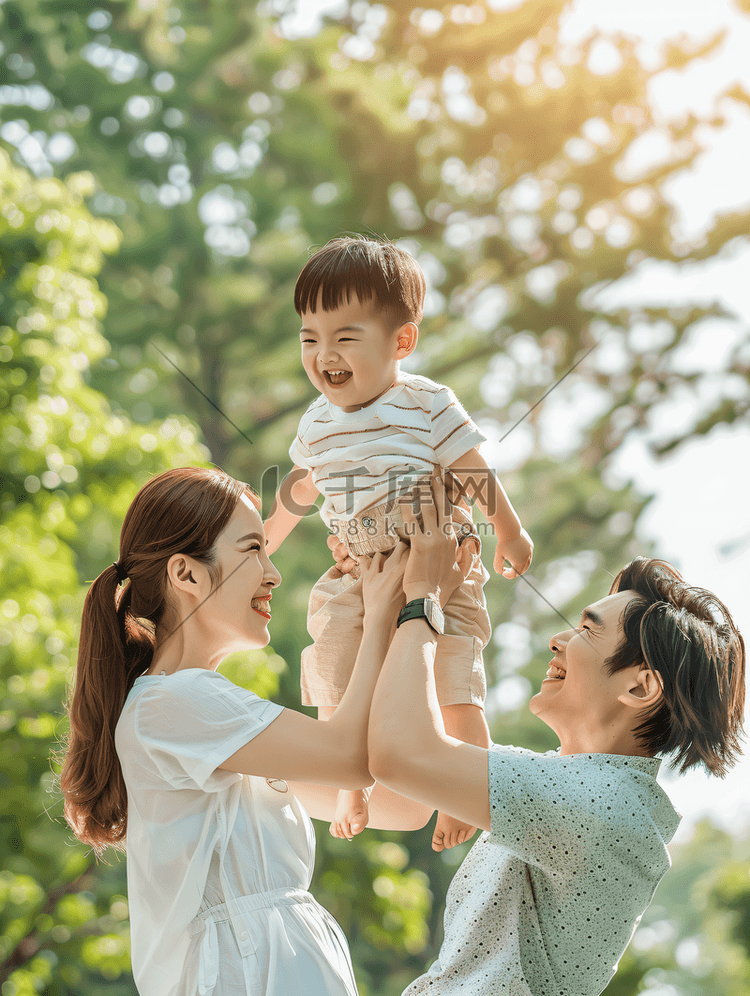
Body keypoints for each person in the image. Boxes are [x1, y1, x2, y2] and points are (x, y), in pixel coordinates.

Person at [365, 471, 746, 996]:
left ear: (640, 688)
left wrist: (422, 601)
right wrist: (411, 599)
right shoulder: (561, 786)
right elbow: (396, 751)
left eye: (588, 630)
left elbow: (398, 753)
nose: (559, 639)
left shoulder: (608, 806)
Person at [57, 465, 434, 996]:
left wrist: (371, 615)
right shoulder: (174, 703)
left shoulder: (214, 721)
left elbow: (403, 801)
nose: (273, 573)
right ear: (186, 574)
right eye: (253, 549)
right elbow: (351, 756)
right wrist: (390, 612)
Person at [263, 234, 533, 850]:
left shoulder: (426, 403)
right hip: (358, 566)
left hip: (435, 558)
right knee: (334, 663)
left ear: (401, 341)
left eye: (344, 337)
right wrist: (264, 540)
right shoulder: (316, 424)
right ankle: (349, 778)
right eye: (309, 337)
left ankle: (469, 787)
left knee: (453, 679)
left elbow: (471, 469)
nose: (323, 353)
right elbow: (303, 489)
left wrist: (510, 531)